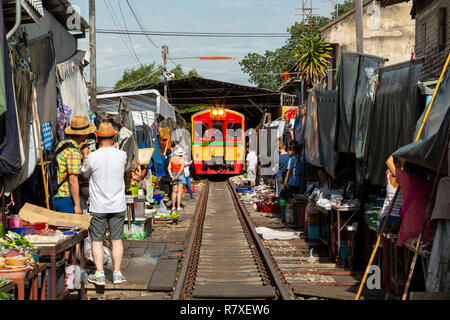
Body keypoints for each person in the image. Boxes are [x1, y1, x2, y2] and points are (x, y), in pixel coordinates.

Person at [81, 122, 127, 285]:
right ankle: (117, 273)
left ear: (98, 137)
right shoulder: (122, 155)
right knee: (117, 240)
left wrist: (86, 156)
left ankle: (100, 274)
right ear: (114, 137)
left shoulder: (92, 157)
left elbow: (85, 174)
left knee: (97, 241)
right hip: (118, 204)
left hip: (98, 206)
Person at [386, 155, 433, 247]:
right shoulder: (430, 185)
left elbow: (389, 161)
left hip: (409, 231)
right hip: (427, 231)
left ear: (408, 169)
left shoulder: (407, 180)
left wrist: (402, 150)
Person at [54, 115, 96, 214]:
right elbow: (73, 179)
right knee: (69, 228)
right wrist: (77, 205)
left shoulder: (62, 144)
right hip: (65, 196)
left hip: (56, 194)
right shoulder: (73, 152)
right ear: (83, 135)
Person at [168, 147, 186, 212]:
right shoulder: (182, 160)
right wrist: (177, 176)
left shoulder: (172, 159)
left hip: (173, 174)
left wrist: (171, 176)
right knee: (179, 192)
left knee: (174, 191)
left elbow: (169, 168)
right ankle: (178, 206)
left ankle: (173, 206)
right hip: (180, 175)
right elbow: (181, 170)